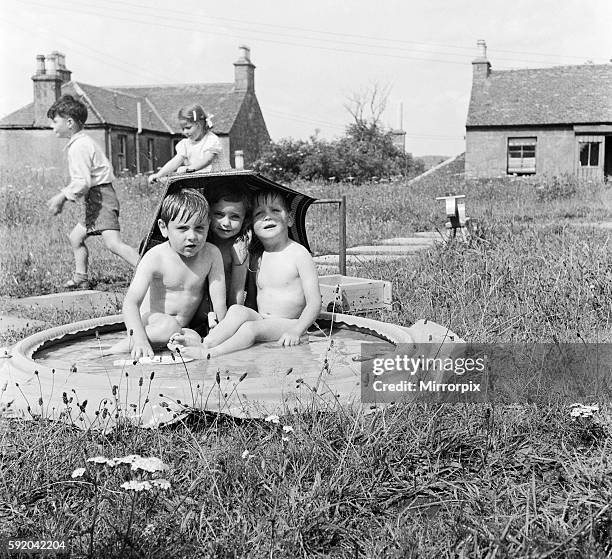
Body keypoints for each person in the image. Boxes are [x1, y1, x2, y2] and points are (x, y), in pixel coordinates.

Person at [169, 189, 321, 358]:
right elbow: (252, 301)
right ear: (251, 224)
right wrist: (238, 319)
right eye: (259, 214)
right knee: (237, 310)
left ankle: (211, 353)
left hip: (291, 324)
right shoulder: (258, 257)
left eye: (275, 211)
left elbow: (314, 302)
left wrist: (297, 330)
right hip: (263, 319)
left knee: (250, 328)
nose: (267, 217)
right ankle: (208, 342)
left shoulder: (299, 254)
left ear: (290, 218)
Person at [108, 188, 227, 359]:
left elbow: (219, 303)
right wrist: (139, 338)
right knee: (168, 327)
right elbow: (130, 303)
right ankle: (108, 353)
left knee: (194, 338)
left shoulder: (211, 254)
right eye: (182, 228)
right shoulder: (156, 257)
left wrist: (220, 331)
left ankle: (166, 344)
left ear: (209, 224)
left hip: (180, 329)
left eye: (200, 228)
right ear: (164, 228)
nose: (192, 236)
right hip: (151, 323)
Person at [46, 95, 140, 289]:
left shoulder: (79, 147)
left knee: (113, 244)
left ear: (69, 122)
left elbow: (82, 182)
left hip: (102, 198)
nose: (52, 126)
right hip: (96, 198)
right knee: (76, 237)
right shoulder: (81, 142)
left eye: (55, 122)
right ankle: (81, 277)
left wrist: (61, 197)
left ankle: (149, 272)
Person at [148, 104, 223, 184]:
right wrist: (159, 175)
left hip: (218, 181)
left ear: (199, 125)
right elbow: (175, 161)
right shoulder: (186, 144)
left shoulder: (211, 140)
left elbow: (207, 160)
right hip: (201, 182)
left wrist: (189, 168)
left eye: (188, 128)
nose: (185, 132)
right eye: (183, 129)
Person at [206, 184, 252, 308]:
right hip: (200, 306)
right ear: (208, 213)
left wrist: (229, 317)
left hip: (228, 306)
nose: (226, 223)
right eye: (219, 214)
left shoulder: (239, 247)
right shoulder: (201, 241)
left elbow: (237, 291)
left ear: (245, 220)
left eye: (235, 217)